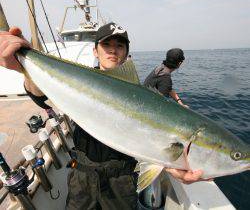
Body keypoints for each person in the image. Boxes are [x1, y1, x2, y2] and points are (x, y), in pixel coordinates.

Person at [0, 23, 204, 210]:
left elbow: (153, 142)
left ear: (126, 55)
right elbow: (39, 95)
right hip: (82, 176)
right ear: (95, 51)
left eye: (120, 45)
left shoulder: (141, 99)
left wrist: (173, 164)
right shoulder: (76, 81)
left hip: (121, 182)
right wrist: (24, 67)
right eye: (107, 44)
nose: (113, 49)